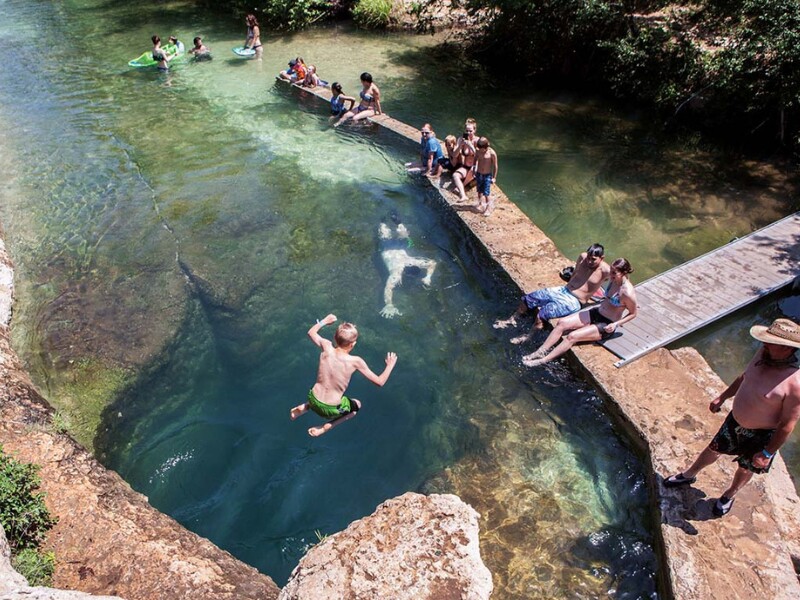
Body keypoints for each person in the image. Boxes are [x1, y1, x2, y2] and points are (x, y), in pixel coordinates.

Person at [663, 318, 800, 517]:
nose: (765, 344)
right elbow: (745, 377)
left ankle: (729, 494)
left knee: (745, 468)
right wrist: (723, 396)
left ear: (787, 348)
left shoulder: (794, 383)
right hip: (735, 420)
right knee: (713, 449)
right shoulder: (762, 354)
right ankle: (689, 474)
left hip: (761, 434)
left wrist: (768, 453)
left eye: (771, 342)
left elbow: (787, 425)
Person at [289, 314, 398, 437]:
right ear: (353, 344)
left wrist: (324, 321)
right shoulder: (356, 361)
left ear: (335, 338)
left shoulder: (326, 346)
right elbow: (380, 382)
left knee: (320, 394)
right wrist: (390, 365)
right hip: (330, 410)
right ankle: (326, 428)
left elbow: (311, 333)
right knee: (356, 405)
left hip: (312, 397)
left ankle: (306, 407)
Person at [521, 258, 638, 366]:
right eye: (611, 271)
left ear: (624, 273)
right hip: (597, 312)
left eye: (614, 273)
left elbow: (633, 313)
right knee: (562, 323)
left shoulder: (627, 292)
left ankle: (543, 360)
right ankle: (540, 352)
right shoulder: (614, 281)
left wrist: (615, 324)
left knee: (572, 336)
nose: (611, 275)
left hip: (606, 323)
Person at [494, 243, 611, 336]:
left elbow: (620, 281)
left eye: (594, 259)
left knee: (542, 315)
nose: (590, 261)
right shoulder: (582, 257)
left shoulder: (606, 270)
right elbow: (576, 273)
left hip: (574, 301)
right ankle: (511, 320)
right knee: (528, 299)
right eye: (589, 258)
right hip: (563, 290)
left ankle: (527, 336)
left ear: (602, 258)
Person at [378, 221, 437, 318]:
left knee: (387, 231)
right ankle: (391, 221)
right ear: (405, 272)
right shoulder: (397, 273)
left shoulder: (412, 262)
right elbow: (388, 288)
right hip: (387, 247)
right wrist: (389, 305)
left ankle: (389, 221)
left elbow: (432, 263)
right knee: (385, 233)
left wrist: (428, 277)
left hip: (398, 246)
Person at [452, 118, 478, 202]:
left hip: (476, 166)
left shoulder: (477, 140)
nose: (468, 133)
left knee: (472, 170)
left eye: (470, 131)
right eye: (467, 131)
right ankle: (463, 196)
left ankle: (461, 186)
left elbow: (478, 156)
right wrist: (460, 145)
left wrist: (470, 145)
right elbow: (454, 155)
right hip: (466, 166)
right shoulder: (461, 139)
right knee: (455, 175)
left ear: (474, 130)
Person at [474, 137, 498, 215]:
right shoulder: (478, 151)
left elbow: (495, 166)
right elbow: (475, 160)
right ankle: (480, 203)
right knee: (479, 190)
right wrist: (474, 168)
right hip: (479, 173)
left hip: (487, 175)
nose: (480, 149)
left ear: (486, 146)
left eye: (481, 148)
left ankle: (488, 208)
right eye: (479, 147)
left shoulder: (492, 153)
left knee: (486, 192)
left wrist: (494, 177)